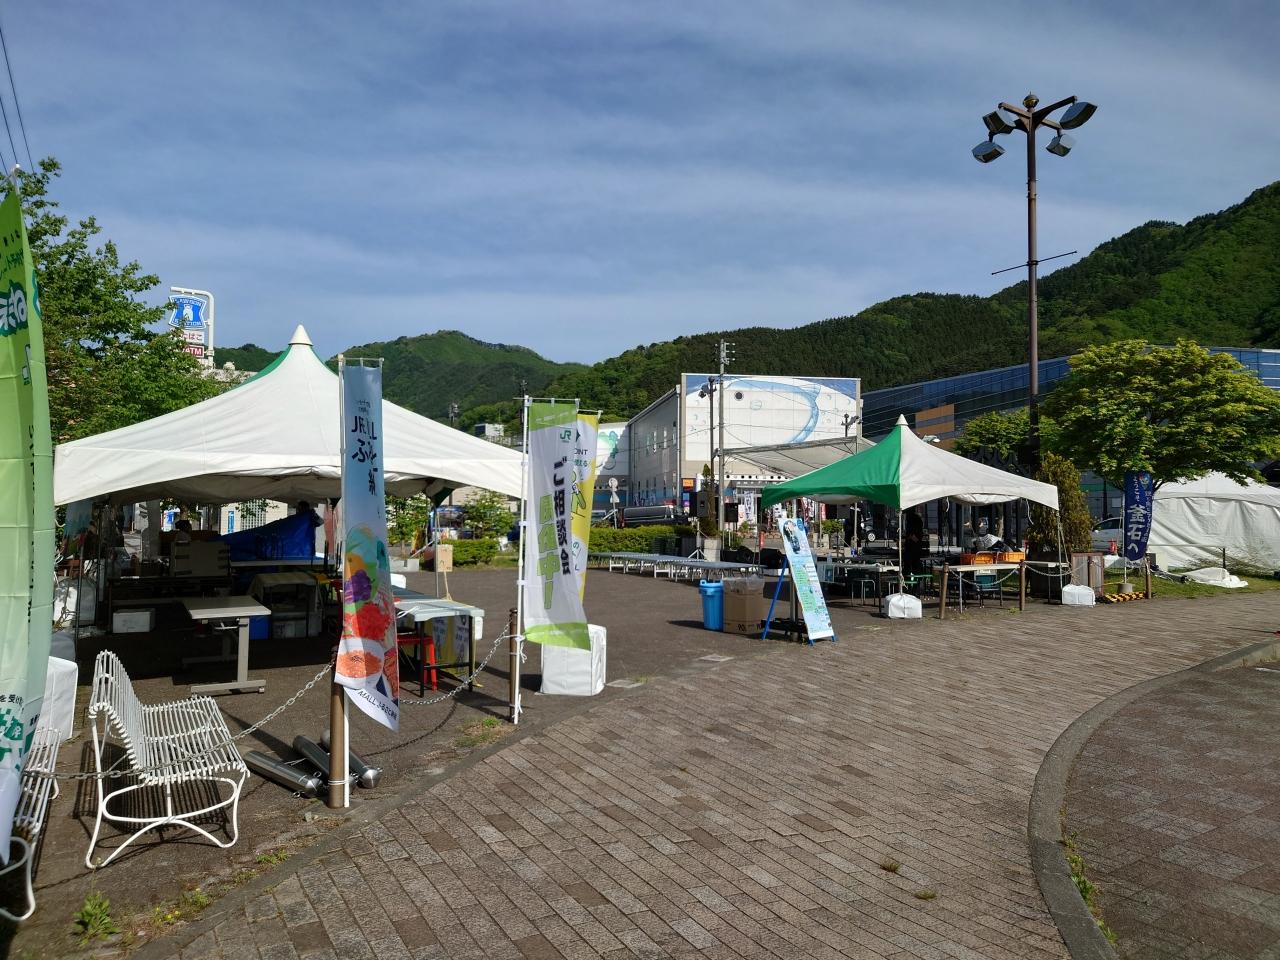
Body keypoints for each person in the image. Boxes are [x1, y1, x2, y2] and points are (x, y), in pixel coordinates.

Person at [903, 506, 925, 592]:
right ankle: (914, 587)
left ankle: (909, 587)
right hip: (915, 548)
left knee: (908, 568)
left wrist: (908, 537)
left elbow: (914, 535)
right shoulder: (916, 519)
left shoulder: (912, 520)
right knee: (914, 568)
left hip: (912, 548)